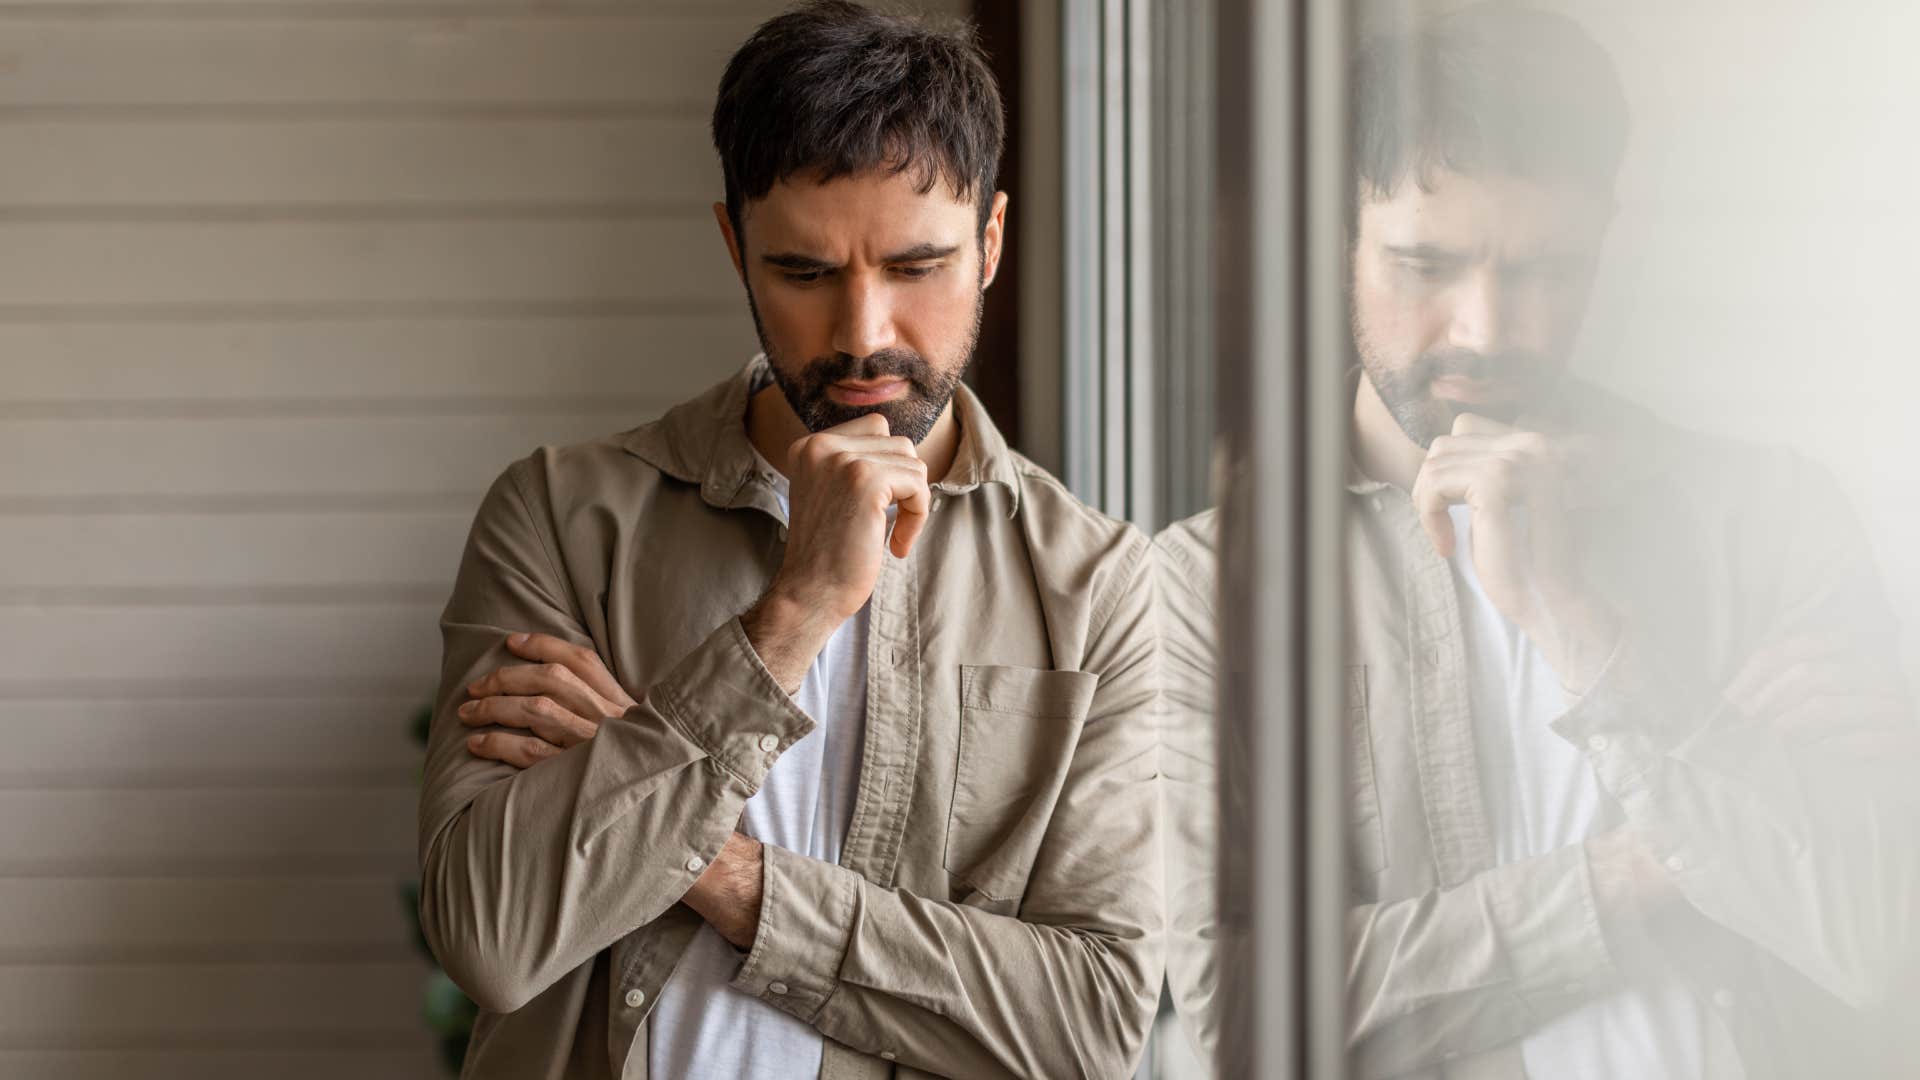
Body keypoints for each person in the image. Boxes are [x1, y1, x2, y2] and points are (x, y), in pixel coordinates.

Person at [1159, 5, 1920, 1077]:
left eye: (1547, 270)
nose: (1484, 327)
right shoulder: (1196, 591)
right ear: (1336, 238)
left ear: (1607, 237)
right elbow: (1226, 1016)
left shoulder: (1773, 517)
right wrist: (1658, 865)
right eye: (1427, 263)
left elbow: (1879, 942)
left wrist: (1577, 620)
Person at [413, 4, 1163, 1077]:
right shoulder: (563, 516)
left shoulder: (1095, 583)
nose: (863, 333)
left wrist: (717, 869)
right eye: (805, 274)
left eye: (917, 268)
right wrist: (794, 613)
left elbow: (1089, 1025)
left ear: (991, 242)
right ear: (735, 246)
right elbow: (491, 935)